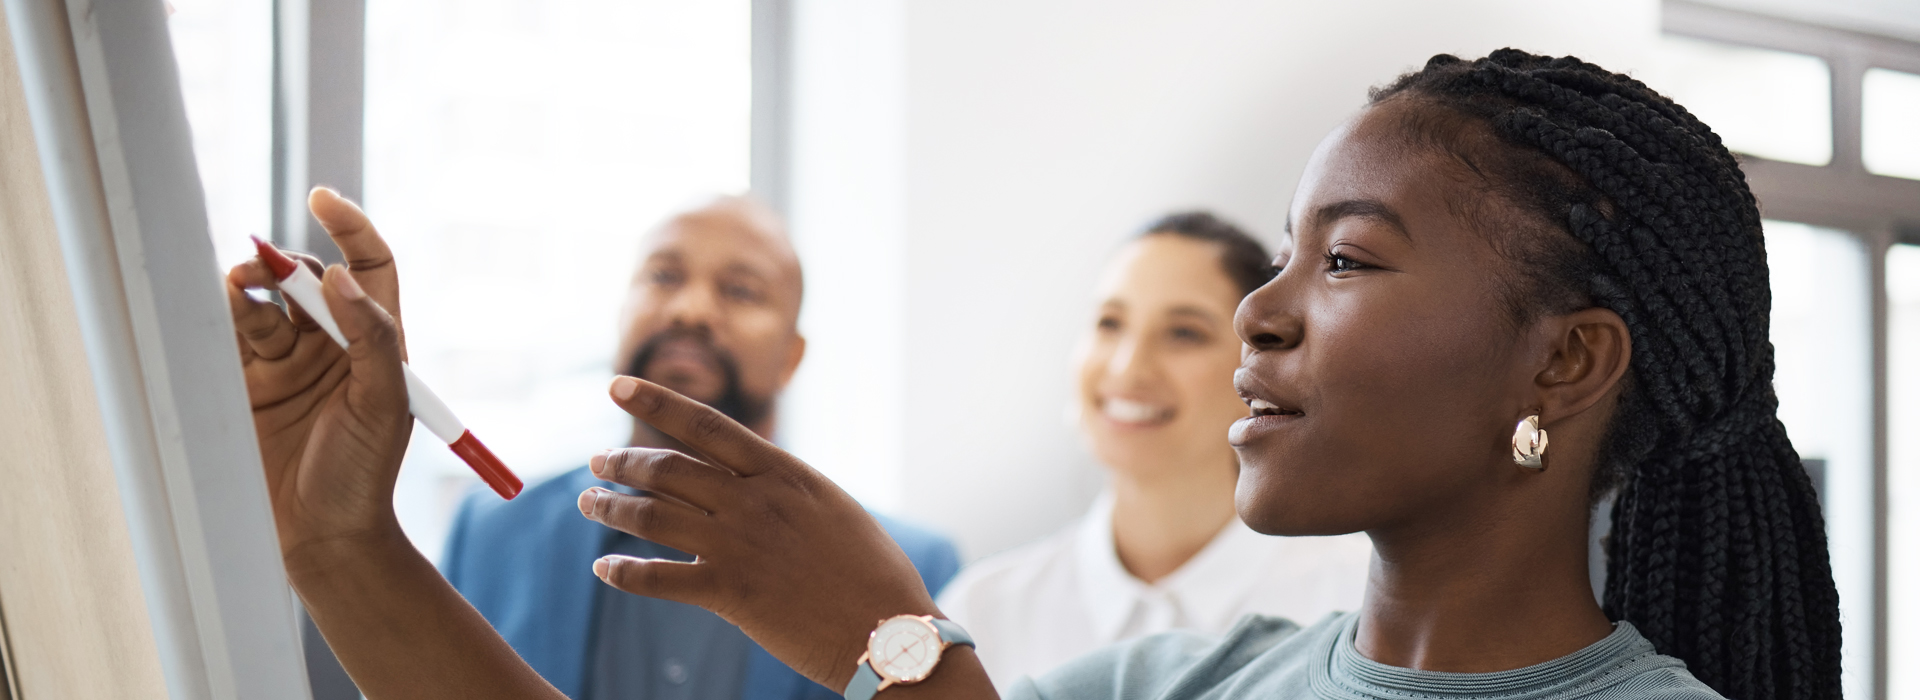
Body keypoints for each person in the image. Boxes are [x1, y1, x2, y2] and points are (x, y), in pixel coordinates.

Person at [227, 49, 1840, 700]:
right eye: (1277, 256)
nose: (1264, 317)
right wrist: (336, 534)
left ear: (1562, 359)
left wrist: (900, 658)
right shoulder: (1188, 682)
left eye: (1344, 260)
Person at [445, 196, 963, 699]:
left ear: (791, 356)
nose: (690, 310)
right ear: (621, 312)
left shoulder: (913, 570)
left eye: (740, 290)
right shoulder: (490, 533)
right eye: (663, 277)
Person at [937, 211, 1371, 686]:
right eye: (1109, 323)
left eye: (1184, 333)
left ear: (1257, 364)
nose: (1127, 369)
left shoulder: (1356, 602)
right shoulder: (982, 613)